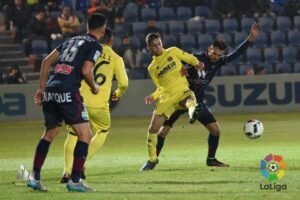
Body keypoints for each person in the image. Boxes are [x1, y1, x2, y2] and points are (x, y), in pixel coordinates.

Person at [151, 22, 260, 170]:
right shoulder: (195, 58)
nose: (216, 57)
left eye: (219, 55)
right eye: (214, 53)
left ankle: (211, 159)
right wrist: (181, 68)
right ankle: (153, 160)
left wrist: (250, 38)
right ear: (209, 49)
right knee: (163, 131)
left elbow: (236, 54)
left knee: (216, 130)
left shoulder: (218, 62)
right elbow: (172, 60)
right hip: (179, 98)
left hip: (197, 102)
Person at [23, 13, 106, 192]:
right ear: (103, 30)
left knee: (50, 133)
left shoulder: (70, 40)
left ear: (87, 26)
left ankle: (34, 176)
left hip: (51, 90)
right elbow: (86, 70)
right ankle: (75, 180)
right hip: (68, 90)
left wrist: (41, 89)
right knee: (85, 134)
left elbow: (46, 62)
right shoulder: (95, 45)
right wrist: (94, 86)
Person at [60, 28, 129, 182]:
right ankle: (81, 163)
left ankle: (66, 171)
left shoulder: (86, 51)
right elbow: (124, 83)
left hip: (79, 101)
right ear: (111, 41)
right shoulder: (116, 58)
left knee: (72, 134)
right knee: (103, 130)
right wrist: (118, 93)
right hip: (99, 105)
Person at [140, 33, 204, 171]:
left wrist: (197, 63)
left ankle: (193, 113)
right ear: (150, 48)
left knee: (190, 100)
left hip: (181, 91)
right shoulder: (152, 67)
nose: (158, 46)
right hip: (166, 99)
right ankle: (152, 160)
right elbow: (159, 87)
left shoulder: (172, 51)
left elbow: (188, 57)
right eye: (155, 45)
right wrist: (154, 95)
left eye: (159, 43)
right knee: (153, 129)